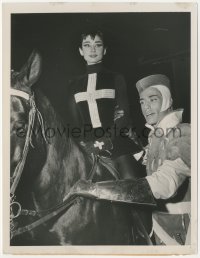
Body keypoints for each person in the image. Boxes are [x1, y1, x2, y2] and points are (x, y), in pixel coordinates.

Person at [68, 74, 191, 245]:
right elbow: (150, 160)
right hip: (161, 231)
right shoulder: (157, 136)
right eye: (142, 102)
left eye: (153, 99)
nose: (146, 107)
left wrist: (96, 190)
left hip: (185, 234)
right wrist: (124, 144)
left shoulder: (184, 134)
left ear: (167, 100)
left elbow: (165, 182)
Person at [68, 28, 142, 180]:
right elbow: (74, 121)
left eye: (98, 44)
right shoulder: (73, 85)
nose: (93, 49)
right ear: (81, 51)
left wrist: (105, 141)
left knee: (131, 183)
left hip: (115, 140)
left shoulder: (116, 78)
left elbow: (124, 116)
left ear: (105, 49)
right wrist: (83, 144)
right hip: (86, 144)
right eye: (87, 45)